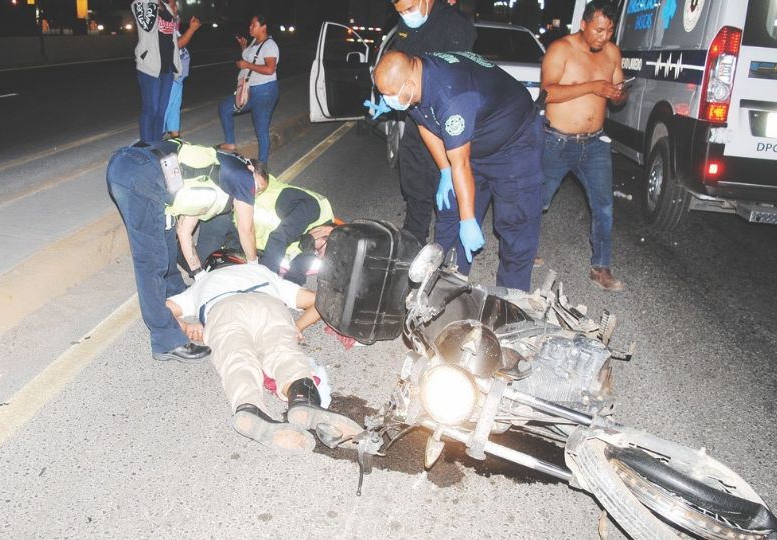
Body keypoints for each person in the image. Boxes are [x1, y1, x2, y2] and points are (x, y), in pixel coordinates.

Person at [374, 50, 545, 291]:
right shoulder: (415, 81)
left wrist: (469, 220)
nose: (386, 100)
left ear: (409, 84)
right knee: (450, 214)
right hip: (475, 137)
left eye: (389, 95)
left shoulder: (451, 97)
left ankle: (512, 300)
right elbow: (426, 123)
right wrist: (444, 171)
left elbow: (461, 163)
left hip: (515, 142)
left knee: (514, 223)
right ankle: (446, 287)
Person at [165, 250, 362, 452]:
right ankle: (303, 397)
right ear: (239, 260)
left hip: (222, 309)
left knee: (236, 360)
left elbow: (163, 308)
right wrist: (299, 326)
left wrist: (186, 326)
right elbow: (319, 300)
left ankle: (249, 407)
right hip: (267, 303)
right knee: (283, 353)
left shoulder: (202, 283)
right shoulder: (259, 271)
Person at [366, 0, 475, 246]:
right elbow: (400, 60)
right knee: (415, 180)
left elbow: (455, 74)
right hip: (417, 115)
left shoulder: (454, 25)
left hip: (446, 117)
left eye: (409, 9)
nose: (406, 15)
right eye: (400, 12)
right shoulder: (407, 23)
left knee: (446, 188)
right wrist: (390, 99)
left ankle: (447, 247)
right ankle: (413, 241)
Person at [540, 1, 626, 291]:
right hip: (557, 141)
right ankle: (523, 251)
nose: (604, 37)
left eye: (610, 31)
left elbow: (618, 94)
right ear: (584, 24)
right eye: (599, 30)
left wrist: (617, 95)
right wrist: (593, 87)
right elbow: (547, 93)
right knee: (538, 200)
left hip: (595, 143)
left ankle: (600, 267)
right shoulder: (561, 49)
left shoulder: (612, 52)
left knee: (604, 207)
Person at [105, 143, 211, 362]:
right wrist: (199, 274)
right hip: (139, 178)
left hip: (132, 164)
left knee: (165, 235)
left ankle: (175, 291)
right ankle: (166, 340)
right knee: (151, 260)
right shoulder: (219, 184)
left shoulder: (208, 160)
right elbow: (186, 230)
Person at [146, 138, 261, 274]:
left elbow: (184, 231)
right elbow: (246, 230)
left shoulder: (208, 184)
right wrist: (254, 264)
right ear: (251, 169)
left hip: (154, 164)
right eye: (257, 187)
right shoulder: (241, 179)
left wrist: (198, 274)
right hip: (151, 172)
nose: (254, 193)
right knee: (156, 251)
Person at [250, 174, 337, 285]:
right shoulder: (311, 209)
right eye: (318, 249)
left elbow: (297, 272)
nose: (314, 251)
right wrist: (265, 284)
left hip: (244, 233)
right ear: (327, 231)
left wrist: (291, 291)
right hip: (244, 193)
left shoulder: (312, 240)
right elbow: (279, 238)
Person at [217, 14, 279, 163]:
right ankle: (230, 143)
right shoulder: (254, 42)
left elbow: (270, 69)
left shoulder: (270, 45)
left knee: (261, 129)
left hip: (265, 91)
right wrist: (244, 46)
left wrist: (246, 66)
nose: (250, 27)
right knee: (225, 107)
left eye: (253, 25)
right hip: (249, 90)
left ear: (263, 27)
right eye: (250, 24)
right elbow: (250, 57)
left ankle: (262, 166)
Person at [132, 0, 182, 145]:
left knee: (161, 112)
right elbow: (147, 26)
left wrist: (176, 65)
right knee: (151, 109)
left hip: (167, 67)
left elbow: (171, 39)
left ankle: (156, 146)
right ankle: (146, 147)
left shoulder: (167, 8)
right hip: (149, 66)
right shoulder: (140, 4)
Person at [162, 0, 202, 139]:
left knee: (174, 105)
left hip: (179, 74)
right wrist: (191, 29)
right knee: (166, 106)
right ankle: (157, 137)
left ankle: (175, 135)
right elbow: (176, 45)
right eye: (172, 5)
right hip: (171, 73)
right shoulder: (163, 24)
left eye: (175, 5)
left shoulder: (172, 23)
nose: (176, 8)